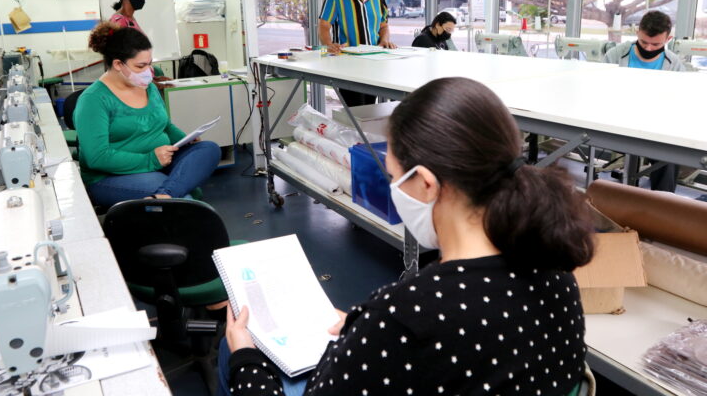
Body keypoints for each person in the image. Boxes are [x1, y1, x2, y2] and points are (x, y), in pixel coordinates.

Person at [219, 77, 595, 396]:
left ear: (427, 183)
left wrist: (245, 360)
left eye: (392, 176)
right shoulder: (556, 273)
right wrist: (363, 331)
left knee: (235, 347)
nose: (391, 189)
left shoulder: (407, 314)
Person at [75, 22, 221, 209]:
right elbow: (97, 157)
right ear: (118, 64)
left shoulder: (148, 87)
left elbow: (165, 125)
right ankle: (170, 195)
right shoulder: (94, 100)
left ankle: (164, 195)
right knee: (183, 199)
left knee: (208, 149)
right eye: (140, 66)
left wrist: (185, 140)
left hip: (160, 160)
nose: (148, 72)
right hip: (110, 176)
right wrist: (150, 160)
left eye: (150, 64)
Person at [603, 10, 685, 192]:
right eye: (643, 42)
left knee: (670, 154)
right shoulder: (615, 56)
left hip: (655, 126)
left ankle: (662, 206)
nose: (648, 48)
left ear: (668, 39)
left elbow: (678, 104)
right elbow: (601, 92)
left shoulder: (674, 65)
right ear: (637, 32)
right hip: (616, 121)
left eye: (655, 44)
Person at [318, 0, 395, 107]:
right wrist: (329, 44)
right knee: (356, 111)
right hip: (347, 66)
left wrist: (385, 40)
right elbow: (324, 25)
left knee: (368, 111)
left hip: (374, 64)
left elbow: (384, 25)